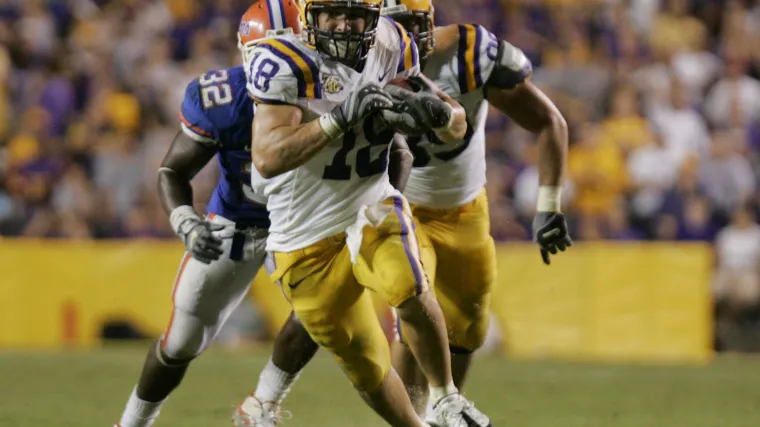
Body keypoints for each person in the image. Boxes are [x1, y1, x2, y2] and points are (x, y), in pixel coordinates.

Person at [237, 1, 572, 425]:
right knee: (365, 363)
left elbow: (451, 122)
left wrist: (433, 113)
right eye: (330, 14)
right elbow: (267, 159)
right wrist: (340, 120)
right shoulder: (283, 63)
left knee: (409, 287)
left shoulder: (394, 45)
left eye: (354, 13)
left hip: (371, 204)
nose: (343, 25)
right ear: (307, 20)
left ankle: (447, 399)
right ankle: (272, 400)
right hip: (304, 231)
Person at [111, 2, 396, 426]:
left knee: (325, 304)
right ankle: (131, 423)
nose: (283, 65)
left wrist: (389, 204)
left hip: (311, 223)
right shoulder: (224, 99)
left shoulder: (342, 83)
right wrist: (184, 220)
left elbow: (399, 151)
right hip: (241, 226)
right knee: (182, 340)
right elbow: (173, 170)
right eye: (273, 52)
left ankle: (262, 404)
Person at [382, 0, 571, 421]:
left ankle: (440, 413)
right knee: (411, 305)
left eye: (419, 24)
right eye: (400, 26)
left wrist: (548, 205)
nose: (412, 36)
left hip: (464, 208)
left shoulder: (470, 53)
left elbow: (549, 122)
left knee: (468, 326)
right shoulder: (359, 66)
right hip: (401, 204)